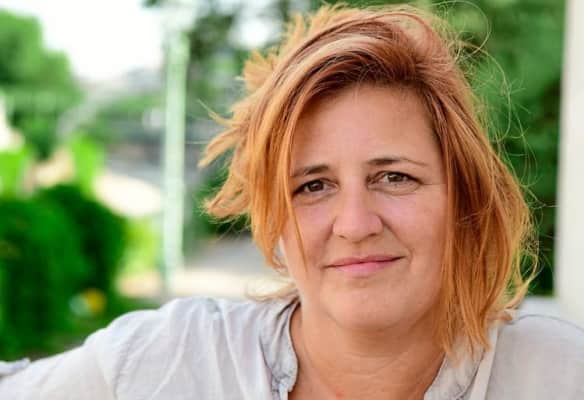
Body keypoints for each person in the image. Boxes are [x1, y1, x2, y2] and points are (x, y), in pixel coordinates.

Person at [1, 4, 583, 399]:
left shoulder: (559, 376)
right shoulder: (169, 362)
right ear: (273, 216)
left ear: (464, 198)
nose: (354, 224)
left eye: (394, 177)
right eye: (313, 186)